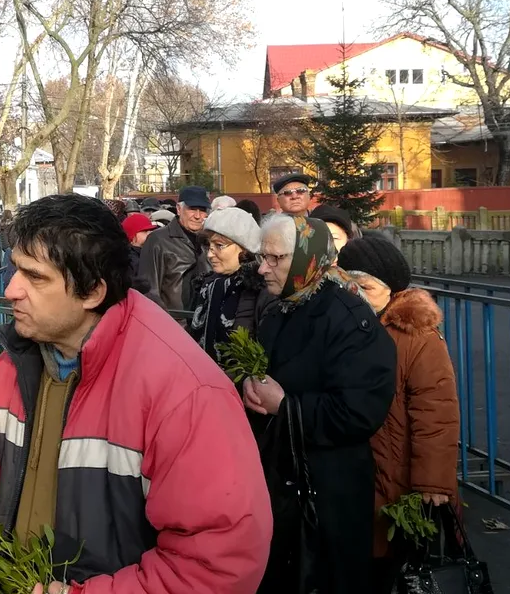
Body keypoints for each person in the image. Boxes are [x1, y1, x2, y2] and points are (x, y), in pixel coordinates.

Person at [0, 194, 272, 593]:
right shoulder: (23, 354)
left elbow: (219, 564)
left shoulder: (184, 391)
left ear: (92, 292)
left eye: (35, 276)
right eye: (14, 270)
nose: (11, 290)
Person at [243, 215, 396, 594]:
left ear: (306, 258)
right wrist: (247, 384)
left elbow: (359, 412)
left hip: (329, 499)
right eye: (262, 257)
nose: (263, 268)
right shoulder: (281, 308)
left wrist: (287, 406)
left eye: (275, 258)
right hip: (284, 486)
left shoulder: (349, 318)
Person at [337, 237, 460, 591]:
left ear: (392, 290)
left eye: (367, 287)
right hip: (361, 466)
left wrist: (433, 481)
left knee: (396, 564)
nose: (357, 293)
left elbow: (436, 412)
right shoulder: (350, 324)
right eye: (351, 285)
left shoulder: (416, 335)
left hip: (400, 474)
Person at [188, 207, 269, 367]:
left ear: (244, 247)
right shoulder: (208, 285)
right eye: (208, 246)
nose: (210, 254)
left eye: (219, 245)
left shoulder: (259, 288)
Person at [138, 185, 212, 313]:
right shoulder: (158, 240)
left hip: (203, 325)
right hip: (173, 324)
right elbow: (149, 290)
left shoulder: (210, 241)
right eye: (192, 209)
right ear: (178, 209)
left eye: (203, 210)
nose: (198, 216)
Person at [121, 212, 157, 296]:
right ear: (132, 235)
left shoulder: (147, 251)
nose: (149, 233)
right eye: (145, 231)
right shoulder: (129, 259)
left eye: (151, 230)